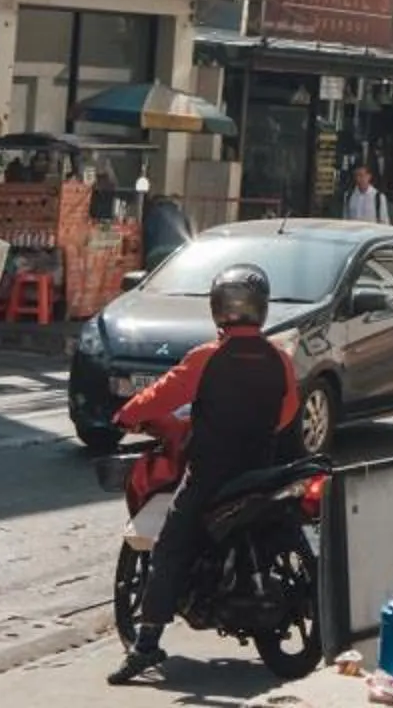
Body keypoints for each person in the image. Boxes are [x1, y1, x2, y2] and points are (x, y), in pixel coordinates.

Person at [110, 263, 302, 685]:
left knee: (170, 546)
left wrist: (126, 415)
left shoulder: (207, 358)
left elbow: (161, 394)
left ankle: (146, 644)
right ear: (261, 309)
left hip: (210, 475)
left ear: (218, 309)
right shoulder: (279, 360)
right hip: (262, 471)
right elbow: (285, 414)